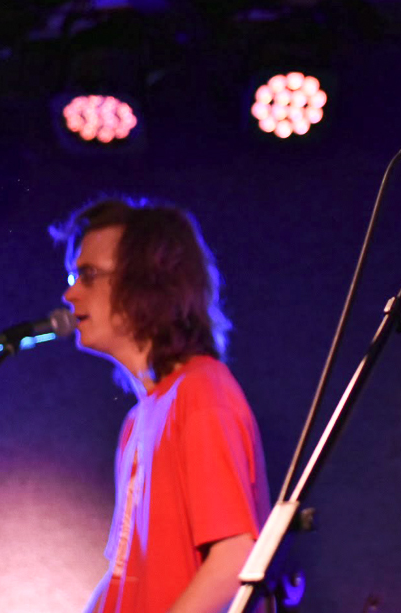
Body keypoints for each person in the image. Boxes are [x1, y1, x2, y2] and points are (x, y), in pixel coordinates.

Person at [53, 198, 271, 613]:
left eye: (89, 275)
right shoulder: (140, 418)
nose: (70, 293)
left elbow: (234, 559)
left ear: (149, 283)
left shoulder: (203, 392)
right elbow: (123, 574)